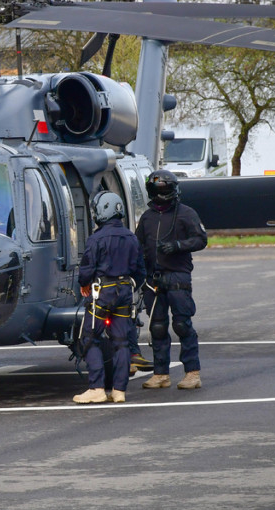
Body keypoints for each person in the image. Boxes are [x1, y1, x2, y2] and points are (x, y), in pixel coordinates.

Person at [134, 170, 208, 390]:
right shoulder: (147, 217)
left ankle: (192, 373)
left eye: (164, 189)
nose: (160, 194)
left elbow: (200, 239)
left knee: (182, 325)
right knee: (157, 327)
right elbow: (138, 246)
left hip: (178, 276)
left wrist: (178, 246)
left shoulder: (186, 213)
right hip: (153, 279)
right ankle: (161, 374)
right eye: (157, 190)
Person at [73, 191, 146, 404]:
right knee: (122, 342)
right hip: (124, 291)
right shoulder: (131, 237)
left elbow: (87, 268)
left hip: (102, 293)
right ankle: (119, 391)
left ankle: (96, 387)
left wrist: (84, 284)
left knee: (89, 338)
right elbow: (140, 270)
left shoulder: (96, 238)